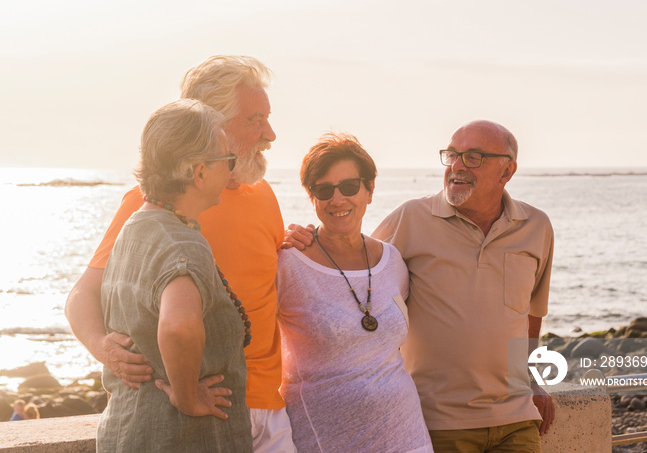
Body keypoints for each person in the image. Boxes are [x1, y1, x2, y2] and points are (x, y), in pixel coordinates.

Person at [65, 56, 294, 452]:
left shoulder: (265, 195)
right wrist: (105, 349)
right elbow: (82, 296)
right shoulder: (152, 203)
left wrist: (306, 242)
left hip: (269, 408)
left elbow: (264, 283)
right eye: (254, 119)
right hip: (206, 415)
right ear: (213, 123)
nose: (269, 133)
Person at [286, 121, 555, 452]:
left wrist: (533, 382)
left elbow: (530, 316)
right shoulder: (411, 218)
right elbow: (352, 257)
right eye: (452, 155)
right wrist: (304, 236)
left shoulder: (536, 227)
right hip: (437, 422)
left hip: (516, 418)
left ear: (507, 170)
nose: (456, 166)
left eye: (473, 157)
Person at [97, 99, 251, 452]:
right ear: (198, 173)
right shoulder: (182, 243)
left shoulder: (135, 227)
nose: (232, 168)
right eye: (228, 159)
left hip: (127, 432)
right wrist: (186, 396)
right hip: (182, 438)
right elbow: (178, 326)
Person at [277, 132, 433, 452]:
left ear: (370, 190)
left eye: (349, 187)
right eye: (324, 189)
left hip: (407, 436)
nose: (337, 199)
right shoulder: (287, 263)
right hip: (326, 439)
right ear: (312, 197)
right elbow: (240, 321)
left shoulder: (393, 262)